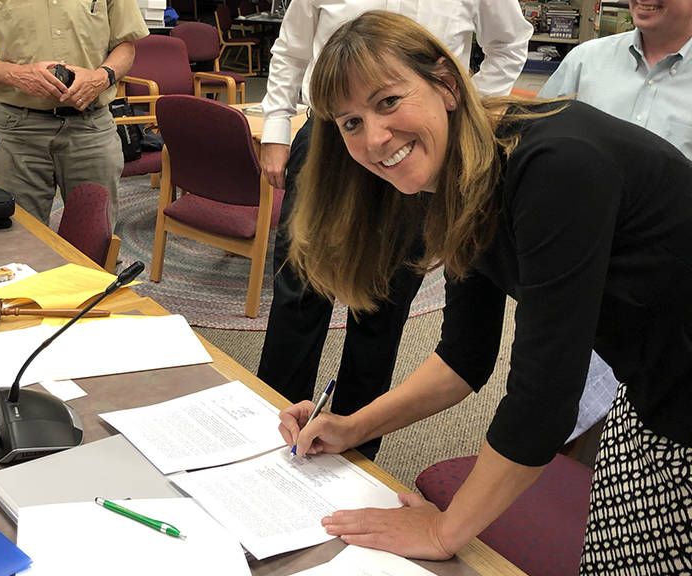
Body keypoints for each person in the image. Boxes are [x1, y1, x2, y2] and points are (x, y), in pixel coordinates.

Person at [278, 11, 692, 574]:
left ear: (447, 84)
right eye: (349, 122)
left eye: (388, 101)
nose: (374, 138)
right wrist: (354, 426)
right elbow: (464, 356)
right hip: (651, 386)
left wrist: (443, 530)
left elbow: (543, 396)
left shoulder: (554, 166)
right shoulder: (459, 171)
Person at [257, 0, 532, 459]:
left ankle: (353, 451)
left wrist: (459, 110)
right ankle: (266, 429)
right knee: (301, 288)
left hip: (420, 142)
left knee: (384, 305)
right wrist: (277, 128)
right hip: (334, 136)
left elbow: (509, 43)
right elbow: (292, 49)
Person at [538, 0, 692, 440]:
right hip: (571, 273)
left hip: (665, 297)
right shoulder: (587, 61)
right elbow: (531, 148)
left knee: (648, 432)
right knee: (550, 411)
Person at [0, 0, 149, 225]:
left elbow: (126, 45)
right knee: (21, 238)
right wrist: (17, 74)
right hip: (18, 130)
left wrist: (101, 78)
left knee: (93, 235)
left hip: (91, 127)